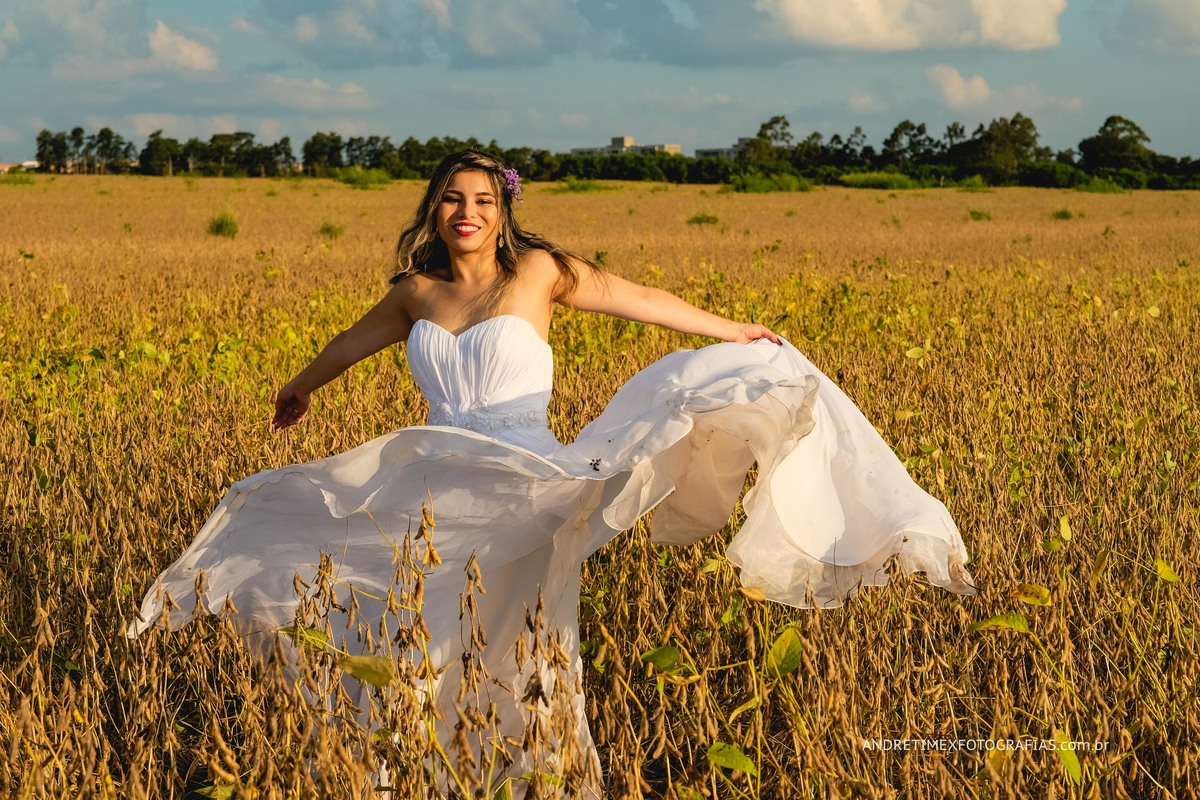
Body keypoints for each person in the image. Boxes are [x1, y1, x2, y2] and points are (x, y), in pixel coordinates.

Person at [130, 150, 975, 796]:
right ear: (433, 211)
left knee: (521, 629)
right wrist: (300, 386)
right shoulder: (415, 293)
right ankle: (418, 769)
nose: (466, 212)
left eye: (482, 201)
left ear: (502, 213)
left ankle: (529, 767)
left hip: (526, 478)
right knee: (419, 630)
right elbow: (351, 342)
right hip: (439, 484)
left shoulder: (537, 271)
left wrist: (729, 330)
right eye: (452, 200)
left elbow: (638, 299)